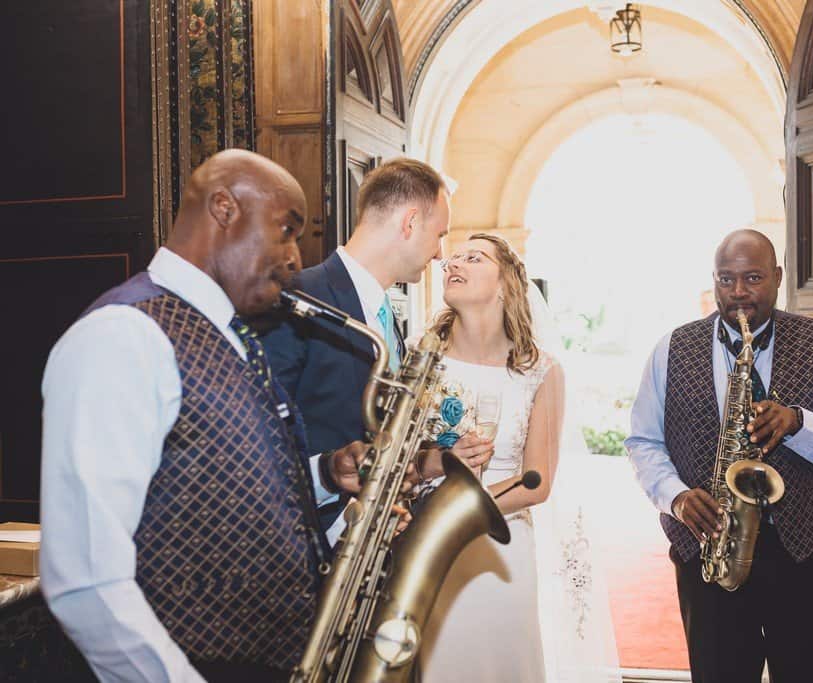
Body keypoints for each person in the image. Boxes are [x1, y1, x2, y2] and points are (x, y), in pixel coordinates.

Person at [40, 150, 369, 682]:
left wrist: (327, 476)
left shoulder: (235, 338)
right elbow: (86, 580)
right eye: (286, 231)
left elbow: (228, 488)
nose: (293, 259)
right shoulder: (124, 334)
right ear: (224, 208)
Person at [625, 228, 813, 682]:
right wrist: (677, 498)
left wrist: (799, 423)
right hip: (710, 553)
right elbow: (642, 443)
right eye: (726, 279)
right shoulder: (669, 349)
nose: (739, 292)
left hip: (803, 559)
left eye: (753, 278)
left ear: (778, 277)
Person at [260, 158, 492, 542]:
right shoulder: (297, 302)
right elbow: (257, 448)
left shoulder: (390, 322)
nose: (438, 255)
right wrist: (331, 490)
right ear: (410, 222)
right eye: (439, 235)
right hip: (303, 547)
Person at [415, 234, 564, 682]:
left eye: (472, 257)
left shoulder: (541, 370)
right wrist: (438, 463)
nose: (452, 263)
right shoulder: (421, 357)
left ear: (505, 284)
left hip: (503, 549)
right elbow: (401, 459)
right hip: (425, 543)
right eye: (452, 257)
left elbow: (536, 483)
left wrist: (459, 511)